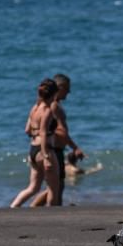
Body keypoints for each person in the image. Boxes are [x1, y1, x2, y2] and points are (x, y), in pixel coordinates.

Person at [31, 73, 84, 207]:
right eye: (67, 89)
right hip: (54, 149)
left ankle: (35, 209)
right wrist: (75, 147)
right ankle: (44, 210)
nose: (69, 92)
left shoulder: (49, 105)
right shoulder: (53, 106)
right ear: (59, 88)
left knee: (53, 187)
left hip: (54, 148)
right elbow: (60, 131)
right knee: (56, 187)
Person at [11, 78, 60, 207]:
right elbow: (43, 132)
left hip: (32, 149)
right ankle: (52, 216)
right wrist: (46, 157)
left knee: (33, 187)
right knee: (54, 189)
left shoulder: (35, 108)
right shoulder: (47, 111)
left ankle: (13, 207)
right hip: (44, 149)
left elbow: (27, 130)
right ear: (54, 94)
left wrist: (36, 132)